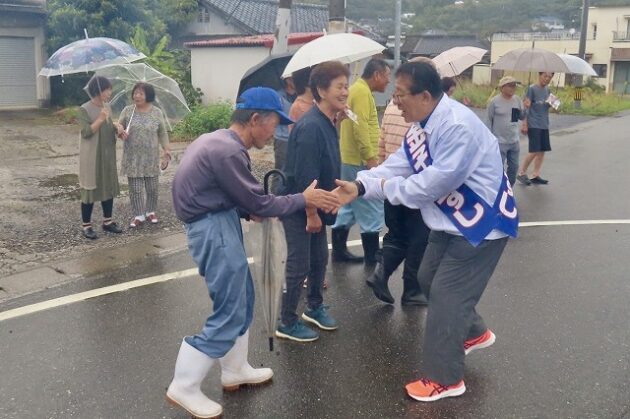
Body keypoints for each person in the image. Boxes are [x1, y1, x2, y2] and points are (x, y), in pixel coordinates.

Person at [332, 61, 518, 402]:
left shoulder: (458, 128)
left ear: (426, 96)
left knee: (447, 295)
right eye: (394, 94)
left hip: (480, 225)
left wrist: (379, 188)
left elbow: (427, 187)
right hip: (448, 222)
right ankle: (474, 332)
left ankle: (445, 379)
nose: (395, 101)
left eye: (401, 94)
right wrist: (359, 185)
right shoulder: (421, 125)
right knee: (427, 276)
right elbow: (398, 165)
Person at [166, 87, 339, 418]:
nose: (276, 131)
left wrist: (249, 209)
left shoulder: (219, 141)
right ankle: (184, 385)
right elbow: (258, 202)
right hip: (212, 228)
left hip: (217, 221)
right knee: (230, 308)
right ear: (256, 119)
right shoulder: (228, 151)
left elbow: (234, 196)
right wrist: (304, 199)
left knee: (242, 297)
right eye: (274, 123)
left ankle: (235, 370)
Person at [275, 61, 349, 343]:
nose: (345, 92)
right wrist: (311, 214)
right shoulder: (310, 126)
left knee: (319, 258)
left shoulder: (327, 120)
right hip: (300, 206)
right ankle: (286, 321)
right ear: (321, 89)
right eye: (339, 86)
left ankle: (314, 307)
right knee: (299, 264)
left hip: (316, 205)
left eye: (346, 86)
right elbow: (307, 179)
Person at [366, 99, 431, 306]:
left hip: (390, 180)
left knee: (396, 234)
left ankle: (380, 274)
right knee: (419, 239)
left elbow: (382, 141)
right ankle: (412, 290)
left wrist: (381, 171)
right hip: (413, 185)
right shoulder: (422, 113)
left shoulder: (392, 107)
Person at [331, 58, 391, 265]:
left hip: (349, 157)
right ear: (377, 75)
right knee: (371, 206)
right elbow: (361, 128)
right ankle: (373, 258)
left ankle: (339, 251)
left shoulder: (356, 90)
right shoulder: (363, 93)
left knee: (348, 205)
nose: (388, 81)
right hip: (359, 160)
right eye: (387, 76)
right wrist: (370, 159)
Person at [77, 76, 125, 239]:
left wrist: (117, 128)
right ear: (98, 90)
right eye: (107, 90)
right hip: (92, 156)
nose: (110, 93)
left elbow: (107, 127)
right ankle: (86, 226)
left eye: (110, 89)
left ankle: (107, 222)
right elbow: (86, 132)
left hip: (107, 154)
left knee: (107, 186)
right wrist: (100, 119)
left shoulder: (107, 107)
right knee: (90, 190)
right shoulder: (84, 109)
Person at [118, 83, 171, 227]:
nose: (137, 96)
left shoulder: (157, 112)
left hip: (151, 157)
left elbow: (162, 132)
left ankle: (150, 211)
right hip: (132, 157)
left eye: (141, 93)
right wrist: (120, 131)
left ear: (148, 95)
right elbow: (119, 126)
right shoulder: (128, 111)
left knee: (152, 187)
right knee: (135, 189)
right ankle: (138, 215)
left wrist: (166, 149)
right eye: (135, 93)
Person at [487, 76, 527, 186]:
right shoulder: (494, 102)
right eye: (510, 85)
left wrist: (525, 108)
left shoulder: (517, 100)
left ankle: (509, 188)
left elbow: (521, 117)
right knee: (497, 169)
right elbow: (488, 121)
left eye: (514, 86)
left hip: (514, 140)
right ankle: (498, 190)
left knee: (514, 168)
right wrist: (490, 140)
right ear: (502, 87)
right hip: (499, 142)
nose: (513, 88)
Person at [517, 72, 554, 185]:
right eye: (545, 76)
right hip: (533, 123)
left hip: (544, 123)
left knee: (542, 150)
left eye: (550, 77)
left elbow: (554, 107)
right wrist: (524, 124)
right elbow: (525, 107)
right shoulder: (531, 89)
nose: (547, 79)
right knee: (534, 150)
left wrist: (553, 103)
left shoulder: (548, 90)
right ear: (540, 75)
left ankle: (535, 174)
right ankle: (521, 173)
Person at [270, 77, 296, 194]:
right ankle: (274, 196)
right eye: (293, 79)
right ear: (288, 80)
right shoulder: (278, 96)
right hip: (282, 138)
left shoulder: (299, 96)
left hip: (294, 137)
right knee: (280, 170)